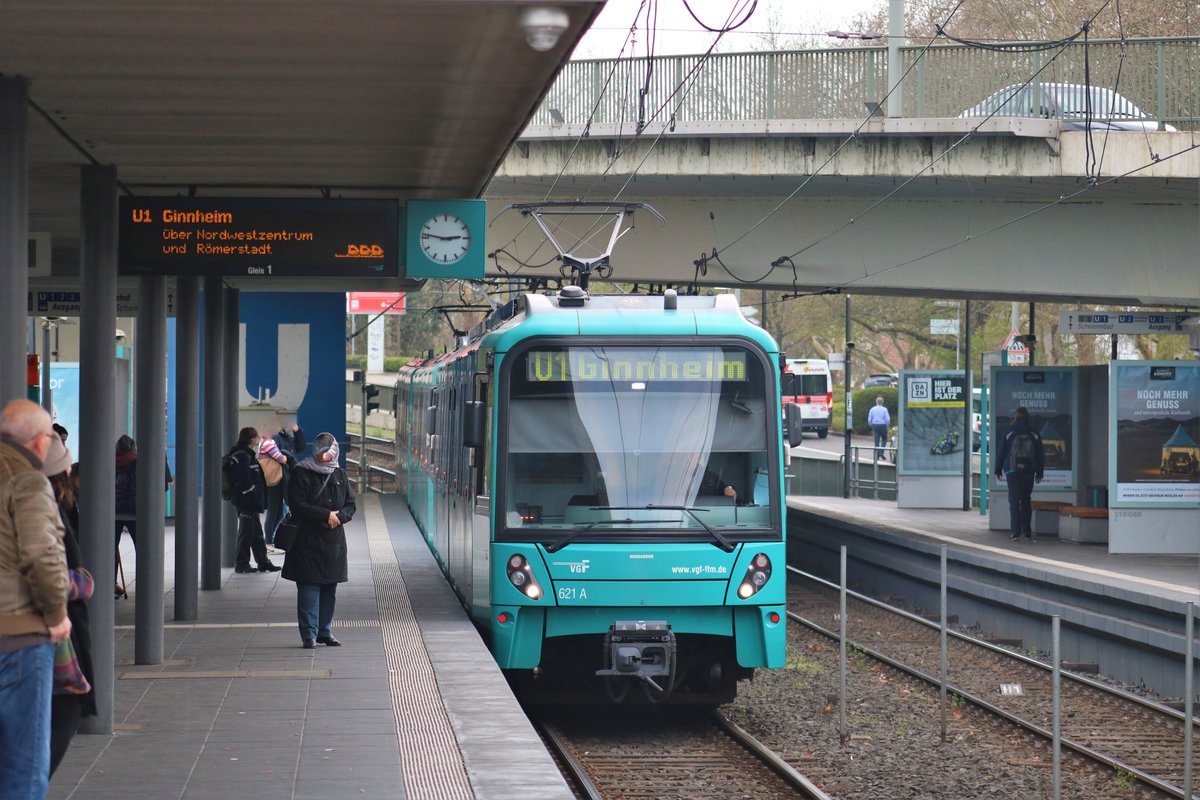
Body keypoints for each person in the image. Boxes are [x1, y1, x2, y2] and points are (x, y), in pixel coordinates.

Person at [0, 399, 72, 800]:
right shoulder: (28, 481)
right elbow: (41, 554)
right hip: (19, 639)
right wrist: (57, 614)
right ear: (39, 442)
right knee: (23, 762)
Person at [40, 438, 96, 775]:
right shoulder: (39, 504)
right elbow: (45, 573)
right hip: (39, 632)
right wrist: (81, 582)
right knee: (63, 711)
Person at [283, 433, 355, 648]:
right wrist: (325, 516)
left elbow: (350, 504)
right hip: (307, 540)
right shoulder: (301, 472)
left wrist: (338, 518)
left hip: (333, 542)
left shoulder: (340, 473)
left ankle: (325, 631)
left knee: (329, 589)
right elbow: (296, 504)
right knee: (309, 588)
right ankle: (309, 635)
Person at [226, 427, 280, 574]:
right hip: (246, 502)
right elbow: (244, 480)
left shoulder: (246, 454)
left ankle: (263, 562)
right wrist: (254, 496)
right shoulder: (243, 456)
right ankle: (241, 564)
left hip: (249, 501)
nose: (256, 440)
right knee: (245, 533)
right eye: (255, 438)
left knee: (256, 533)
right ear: (252, 439)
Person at [993, 406, 1045, 542]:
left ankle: (1015, 532)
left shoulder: (1009, 432)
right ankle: (1027, 532)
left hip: (1012, 471)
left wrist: (997, 470)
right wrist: (1039, 473)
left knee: (1014, 501)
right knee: (1026, 500)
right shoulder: (1034, 433)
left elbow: (1001, 452)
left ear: (1015, 417)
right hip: (1028, 472)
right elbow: (1040, 454)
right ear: (1028, 418)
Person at [867, 396, 891, 461]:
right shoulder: (884, 409)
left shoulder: (872, 409)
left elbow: (869, 418)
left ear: (876, 402)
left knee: (876, 440)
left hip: (875, 425)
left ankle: (876, 456)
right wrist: (887, 425)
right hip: (882, 425)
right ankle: (881, 452)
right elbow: (887, 419)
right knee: (884, 439)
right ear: (882, 402)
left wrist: (870, 424)